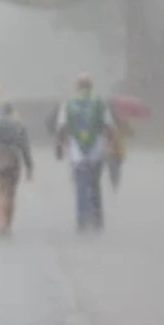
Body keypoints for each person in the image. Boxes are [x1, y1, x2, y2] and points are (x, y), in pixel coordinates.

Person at [55, 73, 115, 232]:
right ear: (91, 86)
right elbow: (109, 127)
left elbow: (61, 127)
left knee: (81, 185)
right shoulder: (100, 103)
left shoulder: (68, 104)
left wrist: (62, 145)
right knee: (95, 184)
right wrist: (109, 144)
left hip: (76, 151)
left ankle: (82, 220)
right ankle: (97, 218)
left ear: (77, 87)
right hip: (97, 149)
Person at [0, 103, 33, 236]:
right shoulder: (18, 125)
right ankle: (8, 223)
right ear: (11, 112)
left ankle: (1, 223)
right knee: (10, 194)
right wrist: (29, 166)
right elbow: (25, 147)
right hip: (12, 159)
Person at [106, 110, 133, 192]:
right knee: (112, 169)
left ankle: (115, 184)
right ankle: (114, 184)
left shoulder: (123, 126)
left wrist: (127, 125)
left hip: (119, 152)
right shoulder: (109, 126)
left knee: (116, 169)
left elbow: (131, 134)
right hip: (111, 151)